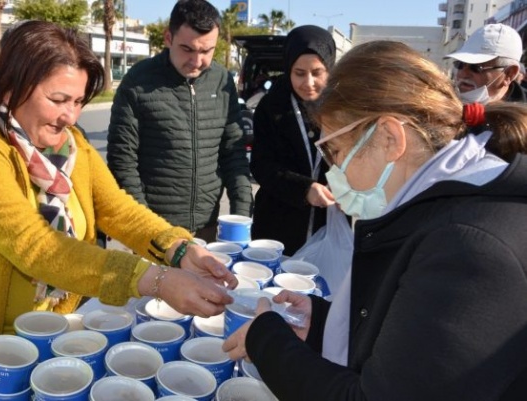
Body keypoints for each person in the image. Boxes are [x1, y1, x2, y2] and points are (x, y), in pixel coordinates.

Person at [0, 21, 236, 400]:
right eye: (58, 100)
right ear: (13, 85)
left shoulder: (71, 146)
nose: (70, 116)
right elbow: (38, 247)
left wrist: (179, 248)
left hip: (49, 337)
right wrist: (153, 279)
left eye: (78, 102)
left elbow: (118, 210)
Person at [223, 40, 527, 400]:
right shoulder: (441, 204)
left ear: (388, 137)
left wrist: (266, 338)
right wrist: (321, 324)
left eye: (334, 151)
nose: (333, 171)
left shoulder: (468, 248)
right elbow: (409, 344)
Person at [107, 0, 252, 242]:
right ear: (168, 38)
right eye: (187, 49)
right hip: (155, 230)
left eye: (207, 51)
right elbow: (122, 160)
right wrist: (147, 226)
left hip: (208, 227)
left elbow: (233, 153)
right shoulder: (138, 81)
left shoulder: (222, 80)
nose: (197, 61)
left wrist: (242, 216)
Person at [249, 25, 336, 256]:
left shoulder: (343, 108)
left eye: (317, 72)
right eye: (299, 73)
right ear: (288, 69)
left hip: (329, 226)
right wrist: (303, 189)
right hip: (278, 227)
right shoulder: (272, 107)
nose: (308, 83)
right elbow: (261, 165)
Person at [446, 23, 526, 105]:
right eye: (460, 65)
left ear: (509, 74)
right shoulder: (443, 103)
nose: (463, 73)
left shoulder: (523, 115)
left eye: (476, 67)